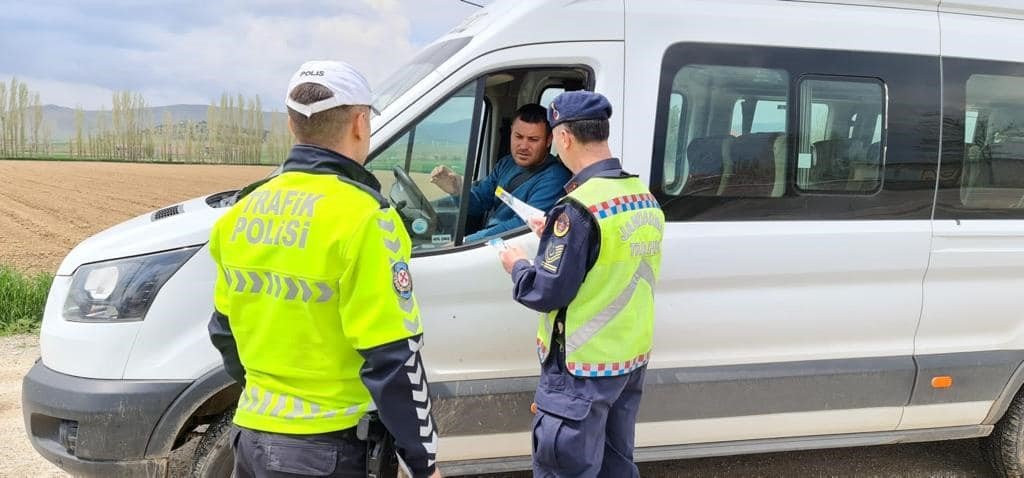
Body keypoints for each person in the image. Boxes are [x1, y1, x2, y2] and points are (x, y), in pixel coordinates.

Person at [207, 60, 441, 478]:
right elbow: (393, 357)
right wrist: (424, 461)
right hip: (328, 449)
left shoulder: (241, 212)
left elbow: (223, 331)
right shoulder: (366, 218)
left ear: (291, 125)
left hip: (252, 438)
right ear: (359, 124)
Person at [498, 91, 665, 478]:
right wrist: (556, 238)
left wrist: (518, 265)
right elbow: (607, 261)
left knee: (565, 469)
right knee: (614, 467)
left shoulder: (578, 209)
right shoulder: (641, 197)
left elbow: (547, 291)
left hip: (580, 371)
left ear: (564, 138)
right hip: (626, 362)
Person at [430, 104, 571, 242]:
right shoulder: (506, 163)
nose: (523, 146)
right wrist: (457, 191)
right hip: (491, 241)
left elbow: (520, 227)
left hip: (509, 247)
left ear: (548, 140)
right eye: (518, 136)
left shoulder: (555, 178)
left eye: (533, 140)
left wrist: (466, 242)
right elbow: (481, 200)